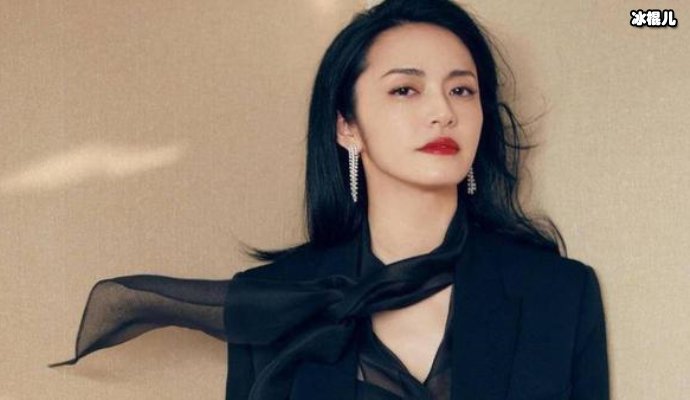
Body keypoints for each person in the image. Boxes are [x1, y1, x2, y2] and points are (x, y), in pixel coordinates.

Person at [51, 0, 610, 399]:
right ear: (347, 126)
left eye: (461, 89)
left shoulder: (560, 293)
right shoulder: (275, 300)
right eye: (405, 89)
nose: (443, 111)